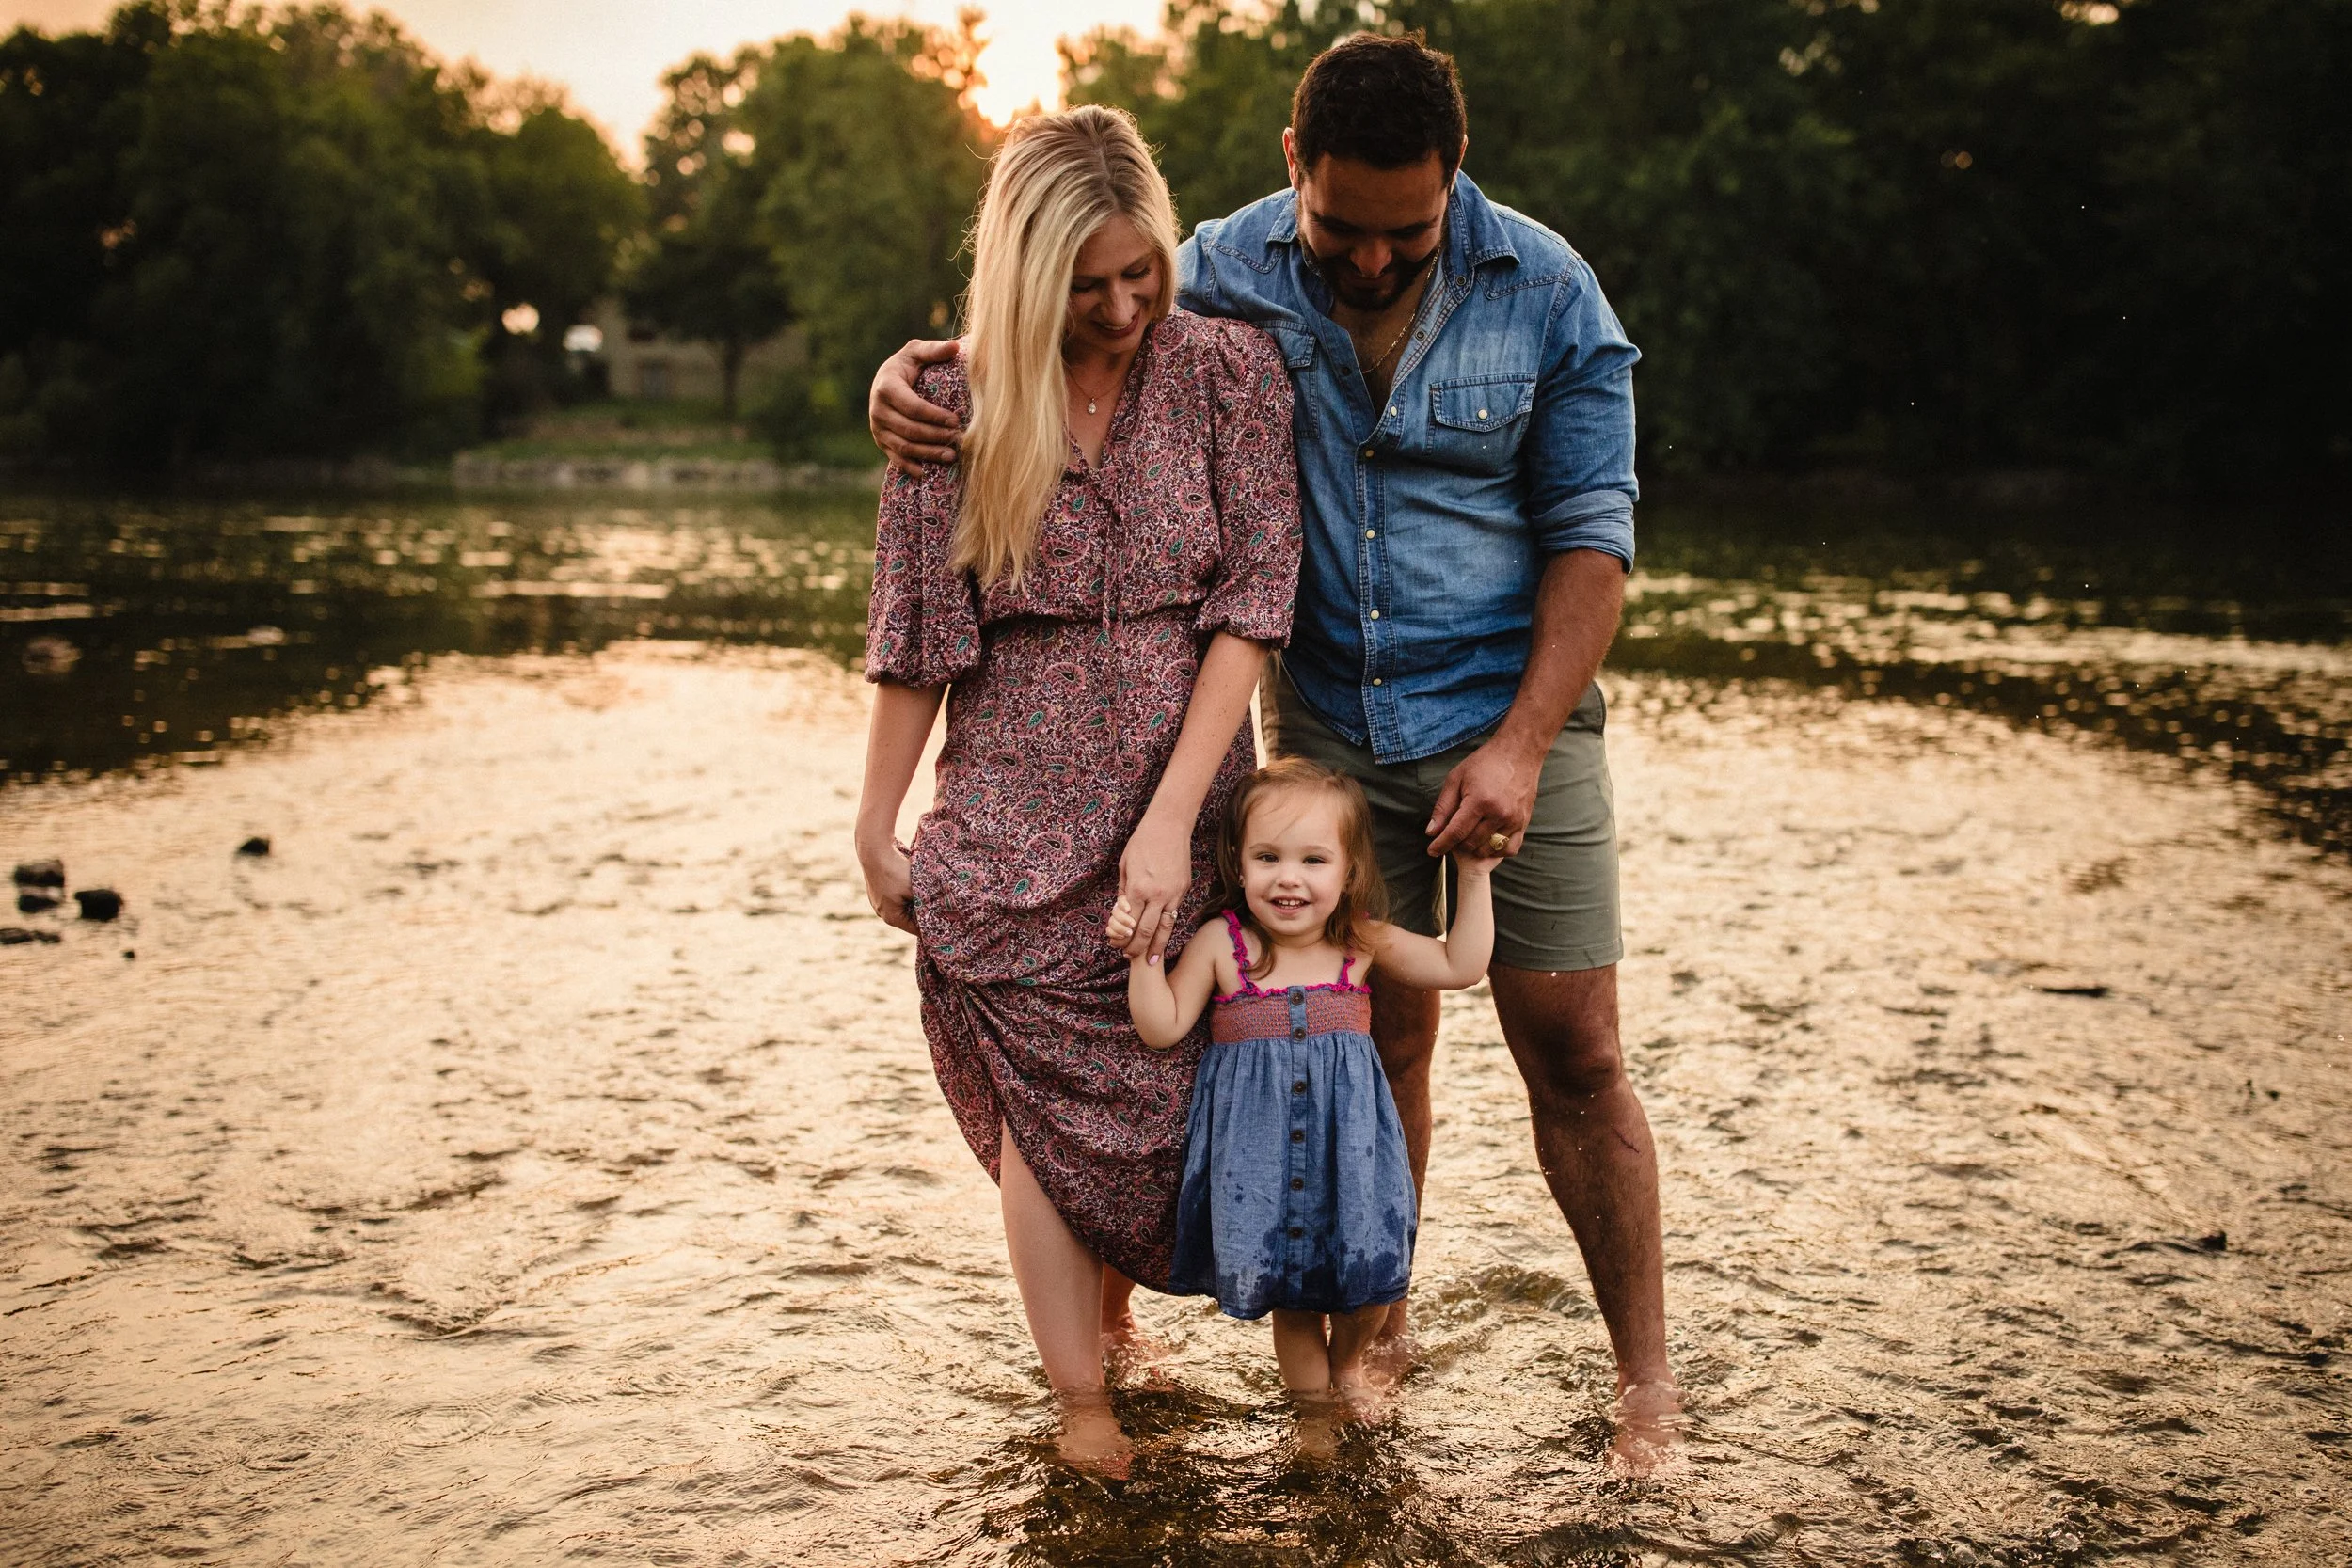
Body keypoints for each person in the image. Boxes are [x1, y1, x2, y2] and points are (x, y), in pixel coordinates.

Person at [869, 36, 1683, 1471]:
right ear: (1290, 171)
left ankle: (1647, 1388)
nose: (1371, 260)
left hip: (1510, 716)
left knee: (1576, 1041)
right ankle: (1371, 1337)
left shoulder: (1551, 292)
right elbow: (1063, 286)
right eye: (1341, 229)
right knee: (1366, 1036)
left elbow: (1595, 542)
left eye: (1408, 233)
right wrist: (916, 369)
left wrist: (1521, 744)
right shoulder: (1216, 266)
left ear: (1457, 181)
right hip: (1318, 735)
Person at [853, 104, 1302, 1476]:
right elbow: (917, 630)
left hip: (1184, 791)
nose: (1119, 307)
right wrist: (872, 820)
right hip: (1009, 815)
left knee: (1166, 1087)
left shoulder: (1229, 369)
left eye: (1140, 273)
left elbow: (1253, 597)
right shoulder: (954, 404)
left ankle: (1117, 1330)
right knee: (1048, 1122)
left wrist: (1175, 821)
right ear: (1027, 270)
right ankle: (1082, 1401)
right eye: (1086, 283)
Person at [1111, 759, 1496, 1442]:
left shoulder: (1359, 942)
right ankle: (1313, 1413)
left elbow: (1460, 965)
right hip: (1259, 1168)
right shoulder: (1222, 946)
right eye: (1268, 856)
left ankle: (1349, 1366)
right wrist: (1145, 952)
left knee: (1369, 1282)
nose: (1288, 877)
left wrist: (1474, 875)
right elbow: (1161, 1024)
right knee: (1292, 1298)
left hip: (1349, 1157)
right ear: (1239, 860)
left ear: (1347, 871)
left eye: (1313, 859)